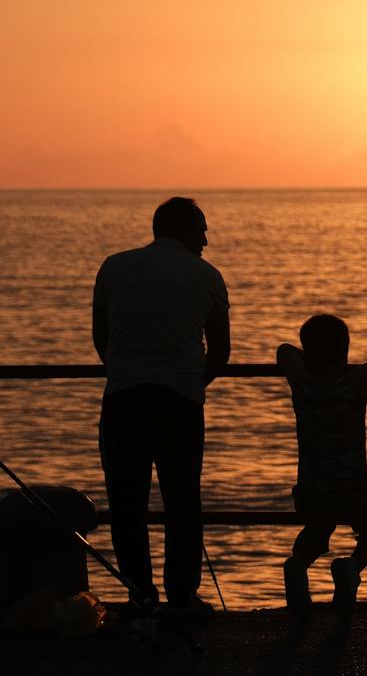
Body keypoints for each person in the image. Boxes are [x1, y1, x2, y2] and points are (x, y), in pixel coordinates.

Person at [92, 196, 230, 617]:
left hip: (123, 399)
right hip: (179, 403)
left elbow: (102, 338)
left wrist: (126, 371)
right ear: (185, 229)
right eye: (202, 229)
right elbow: (221, 350)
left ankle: (141, 594)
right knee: (182, 503)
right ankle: (182, 597)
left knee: (126, 504)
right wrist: (190, 381)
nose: (206, 239)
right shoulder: (206, 275)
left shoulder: (113, 267)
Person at [277, 314, 367, 613]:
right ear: (344, 350)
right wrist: (362, 367)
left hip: (312, 486)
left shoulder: (301, 382)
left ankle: (298, 565)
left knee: (318, 528)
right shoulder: (354, 381)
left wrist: (305, 359)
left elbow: (284, 350)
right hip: (352, 488)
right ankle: (352, 566)